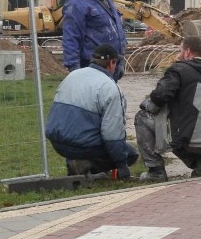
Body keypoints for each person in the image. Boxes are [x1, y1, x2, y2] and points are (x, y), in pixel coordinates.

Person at [134, 35, 201, 181]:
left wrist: (147, 103)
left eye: (180, 51)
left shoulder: (178, 70)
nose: (178, 55)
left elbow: (159, 97)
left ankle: (156, 171)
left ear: (187, 52)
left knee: (142, 117)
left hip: (190, 139)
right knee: (186, 125)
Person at [45, 43, 138, 178]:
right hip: (81, 145)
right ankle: (86, 168)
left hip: (58, 143)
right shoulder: (109, 87)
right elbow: (112, 134)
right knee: (131, 153)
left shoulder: (73, 75)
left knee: (86, 130)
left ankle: (77, 164)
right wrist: (122, 165)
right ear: (112, 63)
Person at [61, 0, 126, 75]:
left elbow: (117, 31)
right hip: (91, 68)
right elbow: (71, 38)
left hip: (110, 65)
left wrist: (120, 63)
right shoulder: (77, 3)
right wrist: (75, 70)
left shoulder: (107, 0)